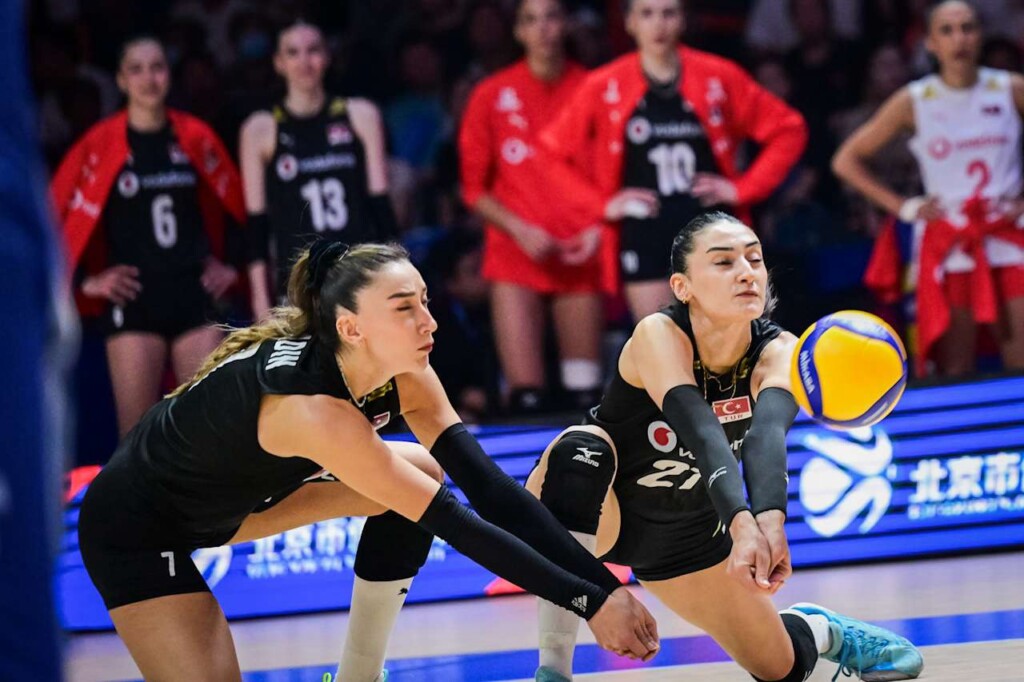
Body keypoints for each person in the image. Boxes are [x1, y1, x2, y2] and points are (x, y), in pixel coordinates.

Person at [76, 239, 660, 681]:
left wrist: (602, 589)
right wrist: (591, 602)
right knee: (415, 492)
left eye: (425, 301)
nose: (429, 321)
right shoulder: (312, 409)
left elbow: (488, 490)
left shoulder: (405, 372)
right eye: (405, 308)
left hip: (235, 504)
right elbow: (455, 524)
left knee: (422, 471)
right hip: (138, 526)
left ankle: (358, 675)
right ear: (351, 328)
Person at [526, 211, 925, 682]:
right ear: (682, 287)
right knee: (580, 451)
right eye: (723, 262)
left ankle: (818, 629)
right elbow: (699, 428)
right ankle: (553, 671)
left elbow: (765, 437)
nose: (746, 272)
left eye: (754, 259)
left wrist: (770, 522)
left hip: (687, 534)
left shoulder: (781, 351)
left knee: (780, 670)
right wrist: (742, 521)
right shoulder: (659, 334)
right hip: (602, 508)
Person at [536, 0, 807, 321]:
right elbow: (548, 153)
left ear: (683, 19)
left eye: (669, 13)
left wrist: (743, 188)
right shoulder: (605, 84)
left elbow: (789, 129)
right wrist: (602, 205)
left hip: (713, 230)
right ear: (629, 22)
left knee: (730, 344)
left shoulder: (718, 75)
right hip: (645, 234)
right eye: (647, 14)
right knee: (662, 347)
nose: (658, 25)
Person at [51, 36, 248, 438]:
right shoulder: (99, 144)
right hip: (134, 302)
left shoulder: (194, 136)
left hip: (195, 296)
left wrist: (233, 268)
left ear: (168, 75)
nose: (148, 78)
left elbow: (241, 207)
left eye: (157, 67)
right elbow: (54, 216)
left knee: (208, 432)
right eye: (136, 69)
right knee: (138, 437)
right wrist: (85, 283)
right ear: (121, 80)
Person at [833, 0, 1024, 377]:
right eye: (947, 30)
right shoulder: (915, 99)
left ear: (981, 35)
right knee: (954, 367)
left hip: (1009, 236)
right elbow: (846, 160)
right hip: (948, 242)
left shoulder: (1010, 88)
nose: (959, 39)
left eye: (968, 28)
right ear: (931, 43)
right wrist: (903, 207)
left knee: (1020, 361)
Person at [459, 0, 609, 414]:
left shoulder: (594, 89)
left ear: (566, 25)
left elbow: (613, 173)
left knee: (585, 393)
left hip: (579, 253)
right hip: (515, 254)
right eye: (531, 20)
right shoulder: (491, 94)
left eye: (551, 17)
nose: (542, 29)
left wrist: (598, 230)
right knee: (526, 398)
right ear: (518, 31)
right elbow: (473, 190)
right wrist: (521, 230)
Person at [239, 20, 398, 317]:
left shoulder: (360, 115)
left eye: (313, 50)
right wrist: (260, 302)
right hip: (300, 286)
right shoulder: (260, 129)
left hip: (357, 277)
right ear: (278, 63)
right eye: (293, 52)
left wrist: (399, 278)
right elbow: (256, 228)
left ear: (326, 57)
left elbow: (381, 210)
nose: (304, 61)